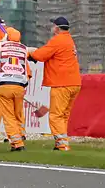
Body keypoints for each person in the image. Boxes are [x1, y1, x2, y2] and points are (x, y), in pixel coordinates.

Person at [26, 17, 81, 151]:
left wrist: (28, 51)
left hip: (62, 84)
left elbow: (40, 56)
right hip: (74, 83)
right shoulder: (69, 40)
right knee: (63, 115)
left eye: (53, 26)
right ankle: (61, 142)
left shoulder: (57, 40)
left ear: (56, 28)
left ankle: (62, 144)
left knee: (56, 115)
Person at [0, 26, 33, 151]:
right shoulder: (23, 49)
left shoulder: (0, 47)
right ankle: (20, 134)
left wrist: (4, 39)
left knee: (9, 116)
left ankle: (17, 143)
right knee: (18, 113)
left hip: (5, 85)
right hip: (20, 87)